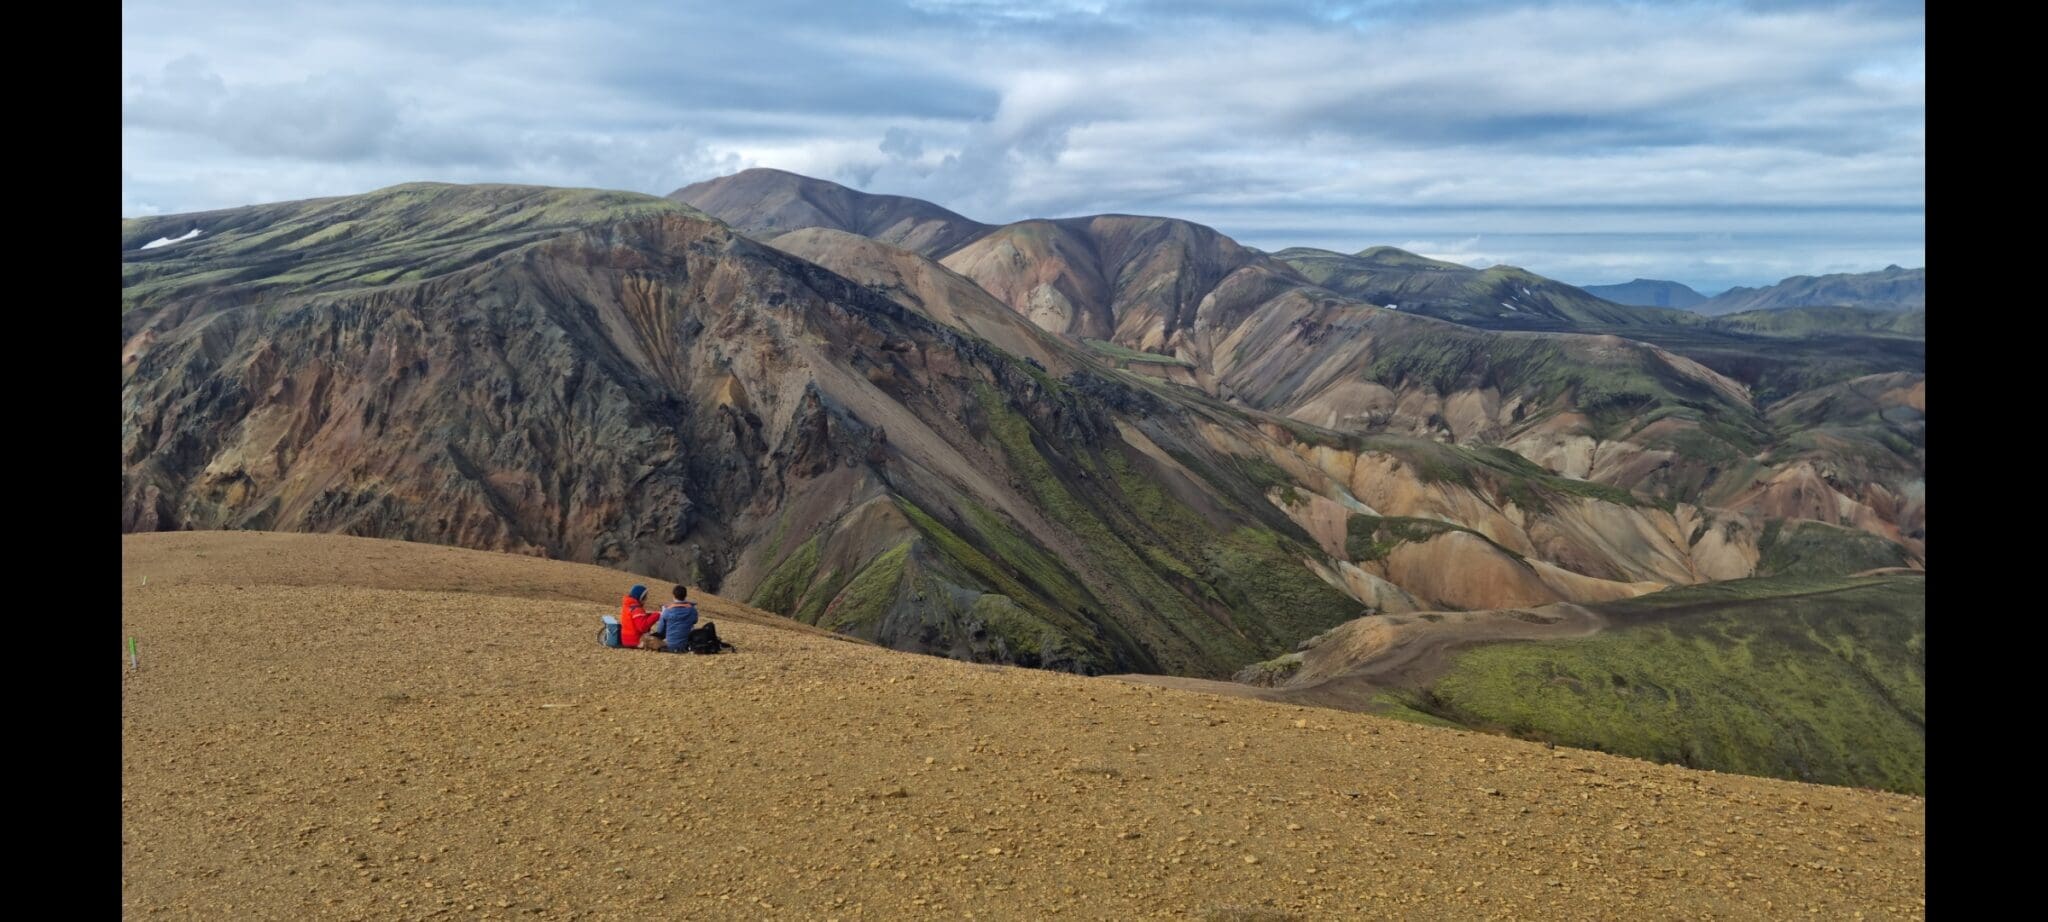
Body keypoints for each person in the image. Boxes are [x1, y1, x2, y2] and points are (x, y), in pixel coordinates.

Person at [656, 585, 699, 653]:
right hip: (686, 646)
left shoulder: (667, 611)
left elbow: (660, 631)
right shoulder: (692, 610)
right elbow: (695, 621)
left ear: (673, 596)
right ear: (685, 596)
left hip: (670, 645)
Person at [618, 584, 660, 649]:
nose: (646, 599)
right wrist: (657, 615)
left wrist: (650, 615)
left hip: (626, 639)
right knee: (661, 643)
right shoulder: (637, 609)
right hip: (635, 640)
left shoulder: (628, 605)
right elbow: (643, 627)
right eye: (645, 597)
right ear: (641, 597)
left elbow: (639, 619)